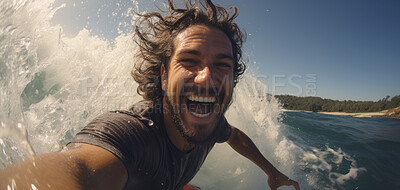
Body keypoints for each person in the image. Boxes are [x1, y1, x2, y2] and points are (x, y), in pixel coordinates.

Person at [0, 0, 300, 189]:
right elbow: (75, 168)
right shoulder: (128, 133)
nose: (207, 77)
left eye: (222, 65)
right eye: (189, 60)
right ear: (164, 74)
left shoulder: (209, 122)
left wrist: (272, 172)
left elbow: (234, 136)